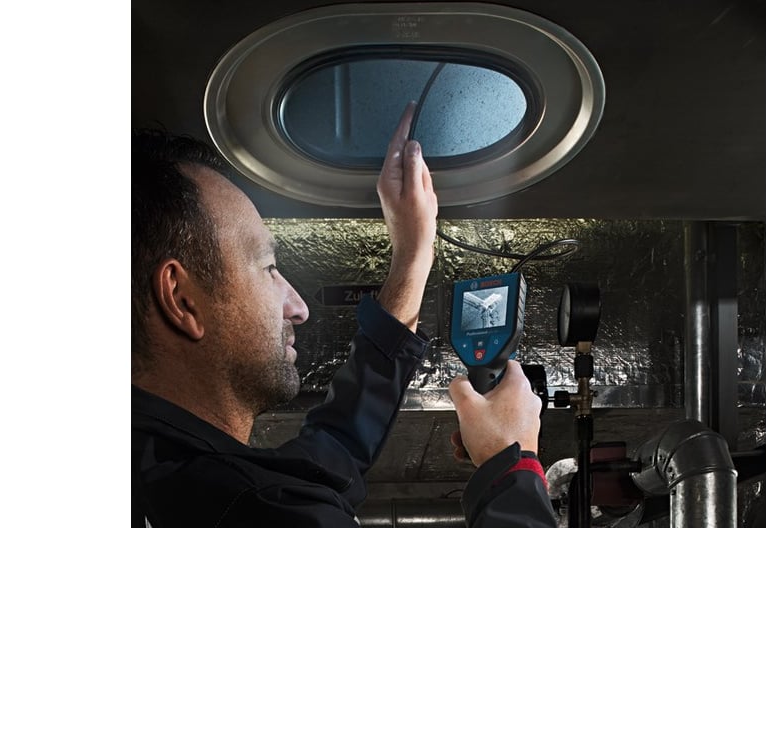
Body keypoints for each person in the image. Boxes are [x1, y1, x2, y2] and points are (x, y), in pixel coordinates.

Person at [132, 104, 556, 527]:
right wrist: (513, 465)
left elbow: (327, 459)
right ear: (182, 298)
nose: (298, 308)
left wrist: (412, 256)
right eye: (268, 268)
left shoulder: (168, 472)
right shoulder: (259, 512)